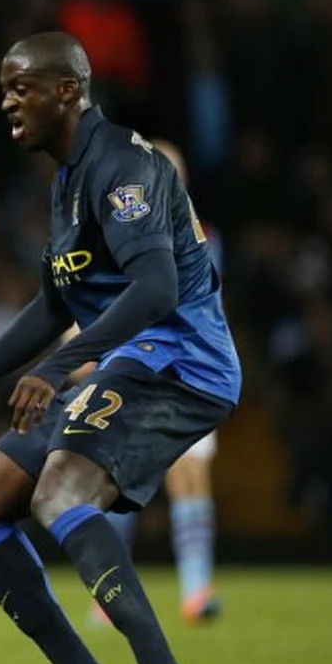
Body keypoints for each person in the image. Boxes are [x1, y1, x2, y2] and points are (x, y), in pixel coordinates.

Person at [0, 32, 240, 664]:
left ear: (68, 91)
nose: (6, 101)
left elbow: (158, 286)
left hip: (182, 362)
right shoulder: (69, 180)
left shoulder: (125, 168)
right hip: (130, 361)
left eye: (20, 88)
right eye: (4, 87)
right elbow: (50, 309)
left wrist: (52, 372)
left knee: (60, 488)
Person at [83, 140, 223, 627]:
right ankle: (108, 593)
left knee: (189, 478)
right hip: (139, 374)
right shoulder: (117, 242)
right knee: (119, 482)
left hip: (190, 371)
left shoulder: (200, 239)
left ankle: (197, 590)